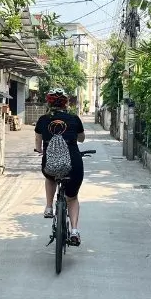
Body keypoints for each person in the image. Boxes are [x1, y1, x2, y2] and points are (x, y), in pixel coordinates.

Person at [34, 88, 86, 246]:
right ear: (66, 103)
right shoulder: (74, 118)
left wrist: (40, 150)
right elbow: (81, 139)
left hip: (50, 163)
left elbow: (38, 144)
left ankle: (49, 207)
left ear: (49, 103)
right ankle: (74, 231)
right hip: (73, 164)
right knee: (72, 198)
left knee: (50, 177)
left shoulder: (43, 119)